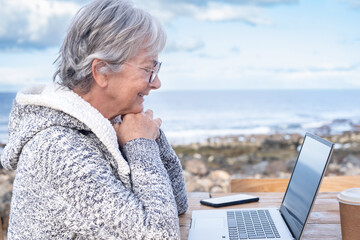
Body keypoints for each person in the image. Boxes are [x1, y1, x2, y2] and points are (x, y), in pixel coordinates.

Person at [0, 0, 188, 239]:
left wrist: (152, 136)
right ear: (101, 71)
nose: (156, 82)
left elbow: (177, 203)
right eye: (148, 69)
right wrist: (141, 145)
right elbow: (160, 235)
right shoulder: (56, 148)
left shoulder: (107, 125)